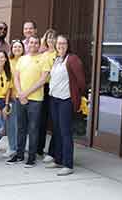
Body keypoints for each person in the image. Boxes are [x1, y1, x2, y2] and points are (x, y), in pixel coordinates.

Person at [6, 35, 50, 167]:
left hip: (35, 99)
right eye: (31, 42)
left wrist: (26, 93)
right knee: (21, 128)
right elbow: (16, 78)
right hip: (21, 98)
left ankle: (31, 157)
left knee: (33, 128)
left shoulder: (44, 59)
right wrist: (20, 93)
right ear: (27, 44)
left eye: (36, 43)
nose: (33, 45)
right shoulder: (22, 59)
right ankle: (19, 155)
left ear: (39, 45)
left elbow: (43, 80)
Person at [45, 35, 85, 176]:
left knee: (65, 132)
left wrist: (77, 96)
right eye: (59, 43)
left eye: (64, 43)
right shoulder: (57, 59)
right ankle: (58, 159)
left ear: (68, 45)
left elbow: (81, 82)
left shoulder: (72, 59)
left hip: (65, 100)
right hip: (54, 99)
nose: (61, 45)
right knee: (57, 130)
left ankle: (68, 164)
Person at [37, 29, 58, 162]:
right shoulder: (42, 54)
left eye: (53, 38)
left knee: (55, 121)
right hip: (42, 88)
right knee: (41, 120)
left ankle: (53, 152)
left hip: (54, 88)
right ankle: (39, 149)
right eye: (48, 38)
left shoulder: (58, 54)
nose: (50, 40)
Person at [4, 39, 25, 158]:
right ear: (11, 49)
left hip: (23, 96)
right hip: (11, 96)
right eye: (15, 47)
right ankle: (12, 147)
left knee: (21, 124)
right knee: (11, 124)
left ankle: (20, 147)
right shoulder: (9, 61)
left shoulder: (26, 60)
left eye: (19, 47)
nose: (17, 49)